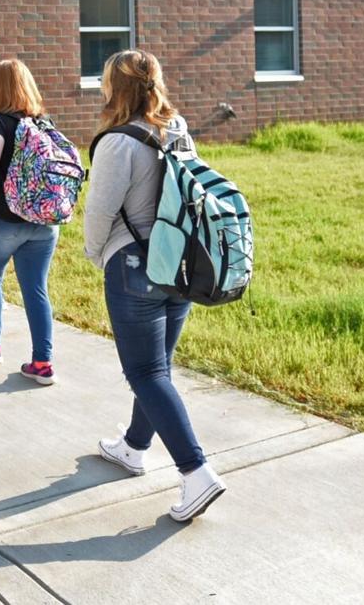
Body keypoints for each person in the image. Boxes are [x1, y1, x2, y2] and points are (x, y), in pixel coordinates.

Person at [84, 49, 226, 522]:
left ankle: (197, 472)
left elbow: (100, 212)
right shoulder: (178, 127)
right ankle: (133, 446)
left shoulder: (115, 143)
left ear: (114, 88)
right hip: (179, 265)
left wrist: (93, 253)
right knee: (158, 367)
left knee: (146, 373)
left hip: (132, 267)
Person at [0, 58, 59, 385]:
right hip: (44, 223)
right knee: (36, 290)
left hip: (5, 222)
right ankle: (42, 363)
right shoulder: (44, 123)